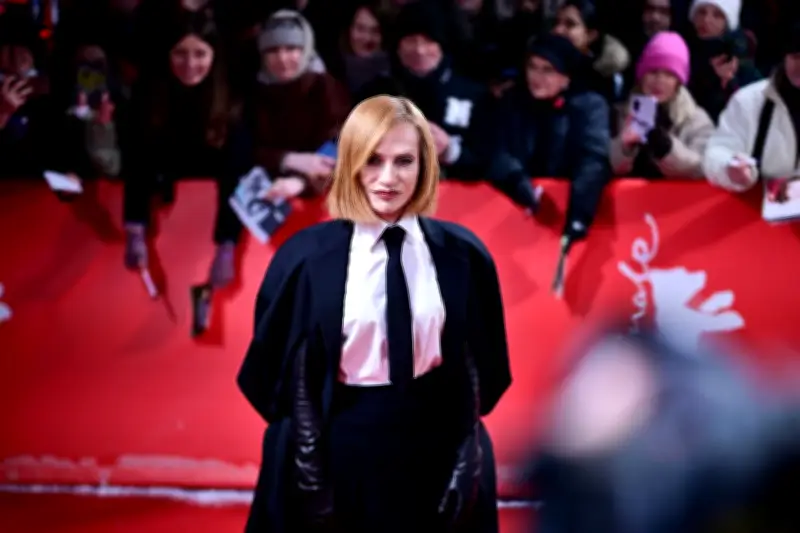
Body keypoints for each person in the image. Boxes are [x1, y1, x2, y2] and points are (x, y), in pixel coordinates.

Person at [237, 95, 512, 533]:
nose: (388, 178)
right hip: (339, 453)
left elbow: (478, 364)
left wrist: (467, 454)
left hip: (435, 453)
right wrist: (310, 468)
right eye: (373, 160)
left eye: (404, 161)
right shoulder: (305, 260)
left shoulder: (462, 254)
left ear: (425, 166)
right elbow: (279, 378)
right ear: (350, 163)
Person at [612, 31, 713, 178]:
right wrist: (625, 147)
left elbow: (703, 168)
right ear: (642, 76)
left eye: (669, 74)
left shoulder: (696, 119)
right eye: (653, 72)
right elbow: (605, 165)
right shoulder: (619, 113)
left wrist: (667, 147)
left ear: (678, 83)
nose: (659, 80)